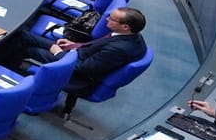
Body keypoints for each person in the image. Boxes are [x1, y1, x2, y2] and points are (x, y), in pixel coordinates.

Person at [18, 6, 148, 98]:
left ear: (125, 27)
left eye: (112, 19)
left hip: (74, 71)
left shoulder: (118, 50)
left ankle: (11, 73)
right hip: (77, 54)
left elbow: (82, 70)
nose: (106, 18)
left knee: (26, 49)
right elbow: (98, 47)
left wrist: (58, 53)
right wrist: (75, 45)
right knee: (24, 35)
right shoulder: (132, 36)